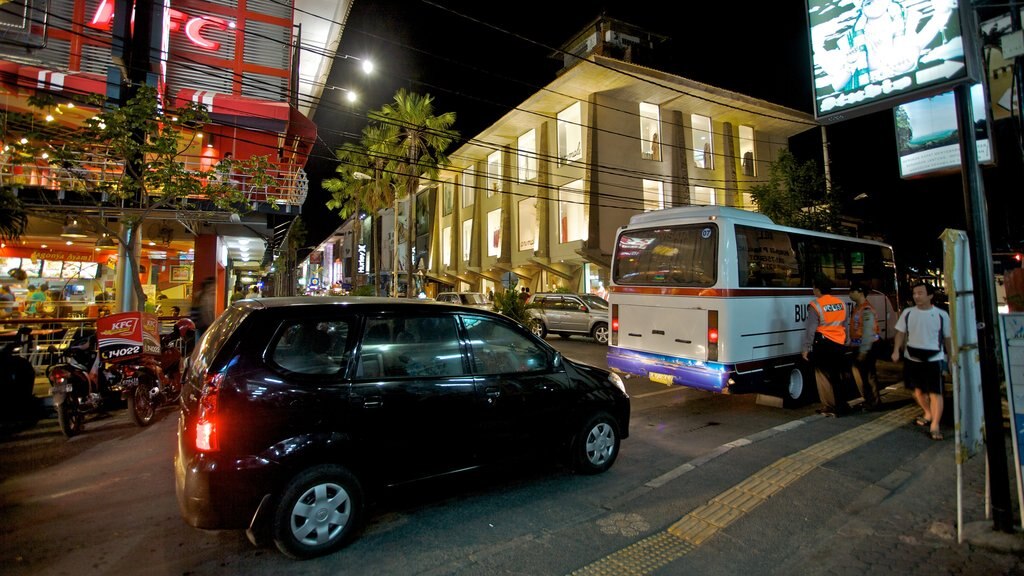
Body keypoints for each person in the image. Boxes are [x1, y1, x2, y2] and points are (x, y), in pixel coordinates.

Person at [891, 282, 954, 440]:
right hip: (912, 357)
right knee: (917, 391)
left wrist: (951, 358)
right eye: (915, 293)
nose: (916, 296)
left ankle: (935, 425)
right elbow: (900, 333)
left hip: (934, 358)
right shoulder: (908, 313)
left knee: (935, 393)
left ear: (930, 295)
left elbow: (947, 338)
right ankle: (928, 413)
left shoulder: (941, 315)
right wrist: (896, 350)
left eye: (920, 293)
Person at [802, 276, 850, 417]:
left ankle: (830, 406)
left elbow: (811, 329)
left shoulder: (815, 305)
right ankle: (842, 406)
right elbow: (844, 325)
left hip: (823, 345)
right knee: (838, 376)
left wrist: (806, 348)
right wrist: (845, 341)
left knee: (823, 376)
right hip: (839, 344)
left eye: (814, 287)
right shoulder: (841, 303)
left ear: (818, 289)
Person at [848, 283, 882, 410]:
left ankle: (874, 403)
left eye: (852, 291)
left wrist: (863, 351)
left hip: (867, 347)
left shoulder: (866, 309)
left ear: (860, 292)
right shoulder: (858, 307)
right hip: (859, 345)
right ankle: (869, 401)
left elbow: (868, 332)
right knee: (862, 376)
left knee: (868, 376)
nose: (850, 294)